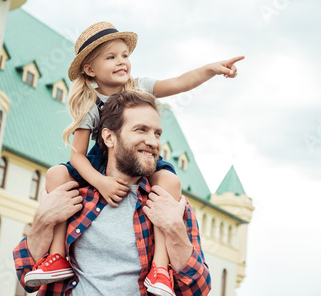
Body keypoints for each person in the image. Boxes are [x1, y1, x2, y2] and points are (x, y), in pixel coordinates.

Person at [22, 21, 243, 295]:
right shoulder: (91, 109)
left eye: (125, 55)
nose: (122, 62)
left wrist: (211, 69)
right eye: (111, 57)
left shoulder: (139, 88)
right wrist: (99, 183)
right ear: (90, 69)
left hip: (133, 177)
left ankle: (160, 269)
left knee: (170, 181)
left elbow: (179, 82)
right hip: (97, 167)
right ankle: (56, 257)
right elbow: (76, 155)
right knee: (55, 174)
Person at [13, 91, 211, 295]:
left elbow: (197, 291)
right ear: (109, 137)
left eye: (157, 133)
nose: (153, 142)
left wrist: (174, 229)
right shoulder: (70, 195)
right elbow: (26, 276)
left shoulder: (168, 202)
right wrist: (42, 221)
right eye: (141, 130)